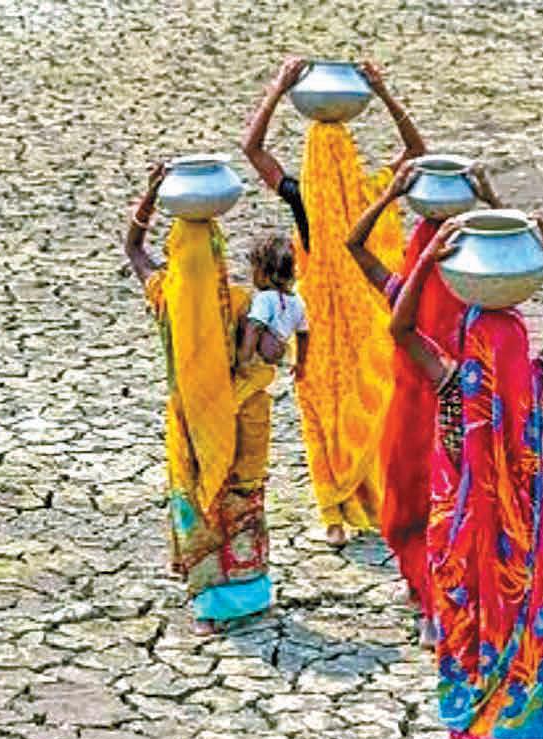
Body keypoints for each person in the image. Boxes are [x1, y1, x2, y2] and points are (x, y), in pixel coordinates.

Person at [387, 214, 543, 739]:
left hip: (454, 534)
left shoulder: (453, 384)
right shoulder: (536, 385)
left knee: (460, 625)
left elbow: (400, 331)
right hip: (515, 542)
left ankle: (458, 735)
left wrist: (426, 264)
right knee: (508, 630)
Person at [241, 57, 425, 547]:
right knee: (369, 404)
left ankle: (334, 514)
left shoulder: (301, 196)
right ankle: (371, 499)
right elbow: (417, 152)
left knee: (321, 410)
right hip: (365, 319)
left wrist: (278, 89)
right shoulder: (370, 194)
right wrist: (383, 94)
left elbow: (252, 149)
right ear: (351, 156)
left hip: (316, 326)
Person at [346, 162, 502, 648]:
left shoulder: (403, 303)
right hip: (464, 417)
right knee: (457, 512)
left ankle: (430, 604)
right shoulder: (478, 305)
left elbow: (355, 245)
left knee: (415, 511)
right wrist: (491, 203)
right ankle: (442, 604)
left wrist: (391, 194)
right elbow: (514, 259)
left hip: (417, 418)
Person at [125, 163, 277, 635]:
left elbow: (133, 247)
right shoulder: (239, 300)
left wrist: (151, 196)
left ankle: (208, 608)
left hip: (188, 424)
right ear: (218, 256)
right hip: (241, 420)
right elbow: (274, 353)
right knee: (241, 503)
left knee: (200, 508)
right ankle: (249, 594)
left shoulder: (166, 296)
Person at [238, 233, 309, 379]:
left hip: (266, 347)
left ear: (264, 274)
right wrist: (301, 363)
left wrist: (245, 361)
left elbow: (255, 327)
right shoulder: (298, 301)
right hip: (281, 349)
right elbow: (303, 334)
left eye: (254, 270)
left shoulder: (265, 298)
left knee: (243, 316)